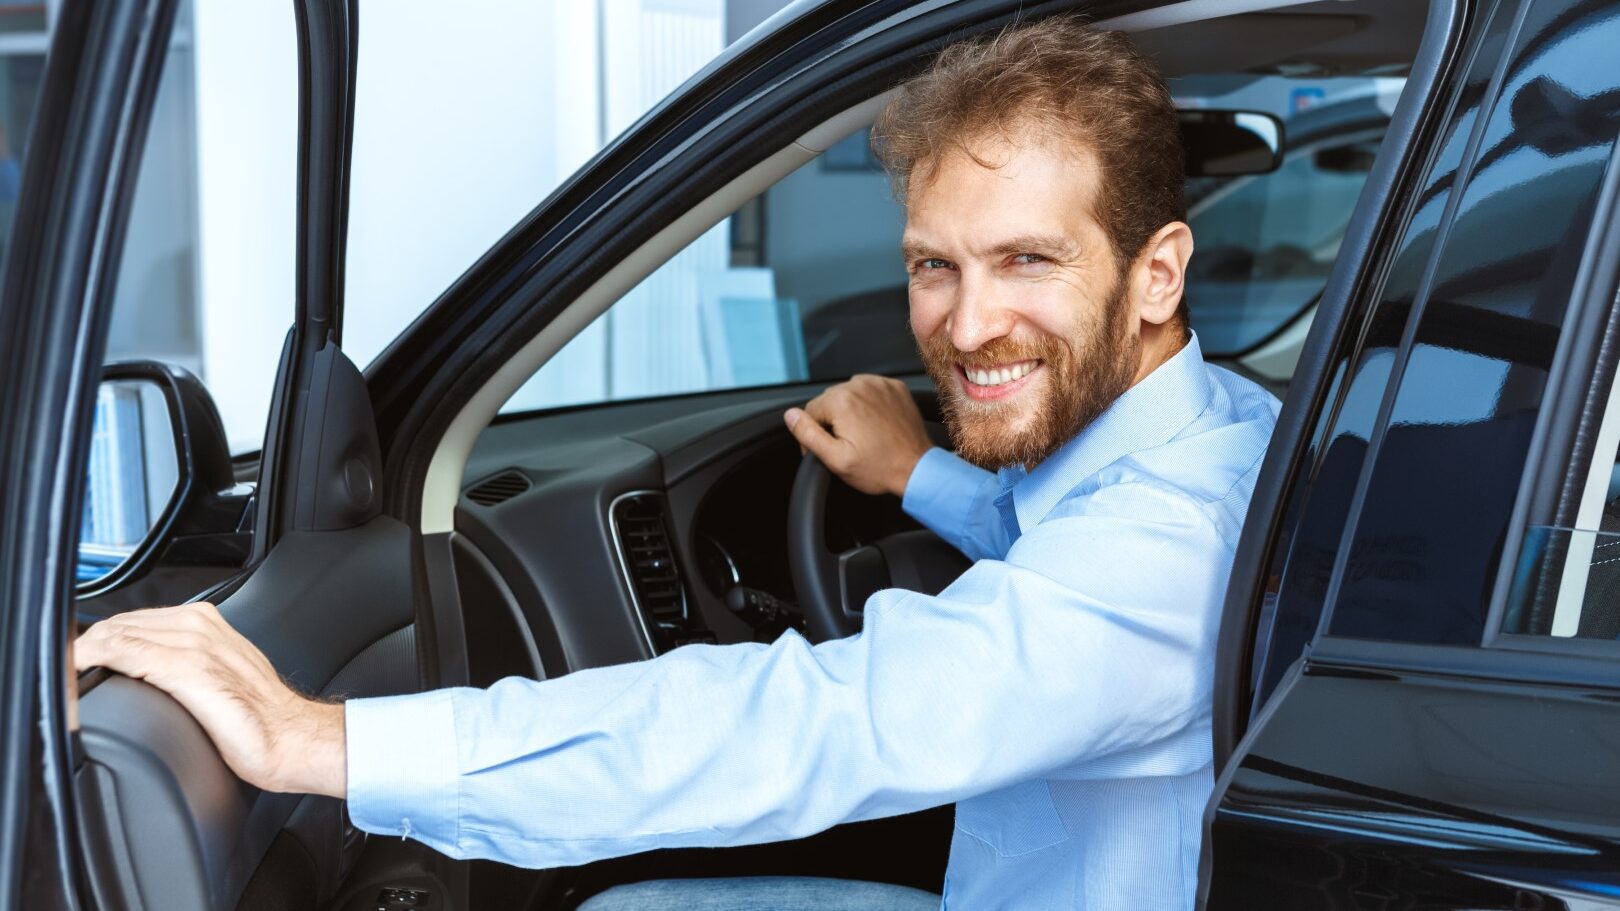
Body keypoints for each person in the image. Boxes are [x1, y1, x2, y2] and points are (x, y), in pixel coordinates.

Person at [74, 16, 1279, 910]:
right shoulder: (1215, 426)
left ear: (1158, 272)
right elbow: (1060, 556)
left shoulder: (1170, 542)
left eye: (1027, 261)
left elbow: (827, 720)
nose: (965, 328)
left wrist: (324, 741)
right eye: (933, 265)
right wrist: (922, 478)